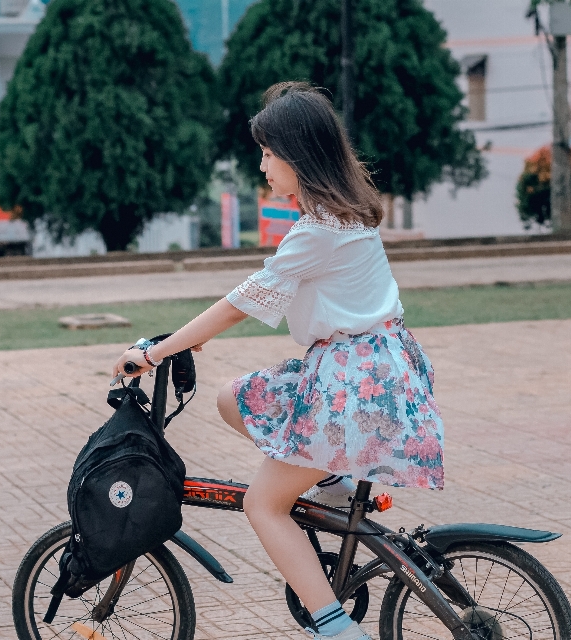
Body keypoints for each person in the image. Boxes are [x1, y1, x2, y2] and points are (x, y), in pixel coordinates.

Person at [114, 82, 444, 640]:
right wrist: (189, 342)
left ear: (300, 155)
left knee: (262, 504)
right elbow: (258, 297)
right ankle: (335, 481)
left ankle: (336, 628)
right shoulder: (342, 216)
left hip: (353, 382)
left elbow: (244, 300)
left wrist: (157, 352)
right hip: (367, 370)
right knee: (231, 398)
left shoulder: (319, 230)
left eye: (269, 153)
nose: (262, 165)